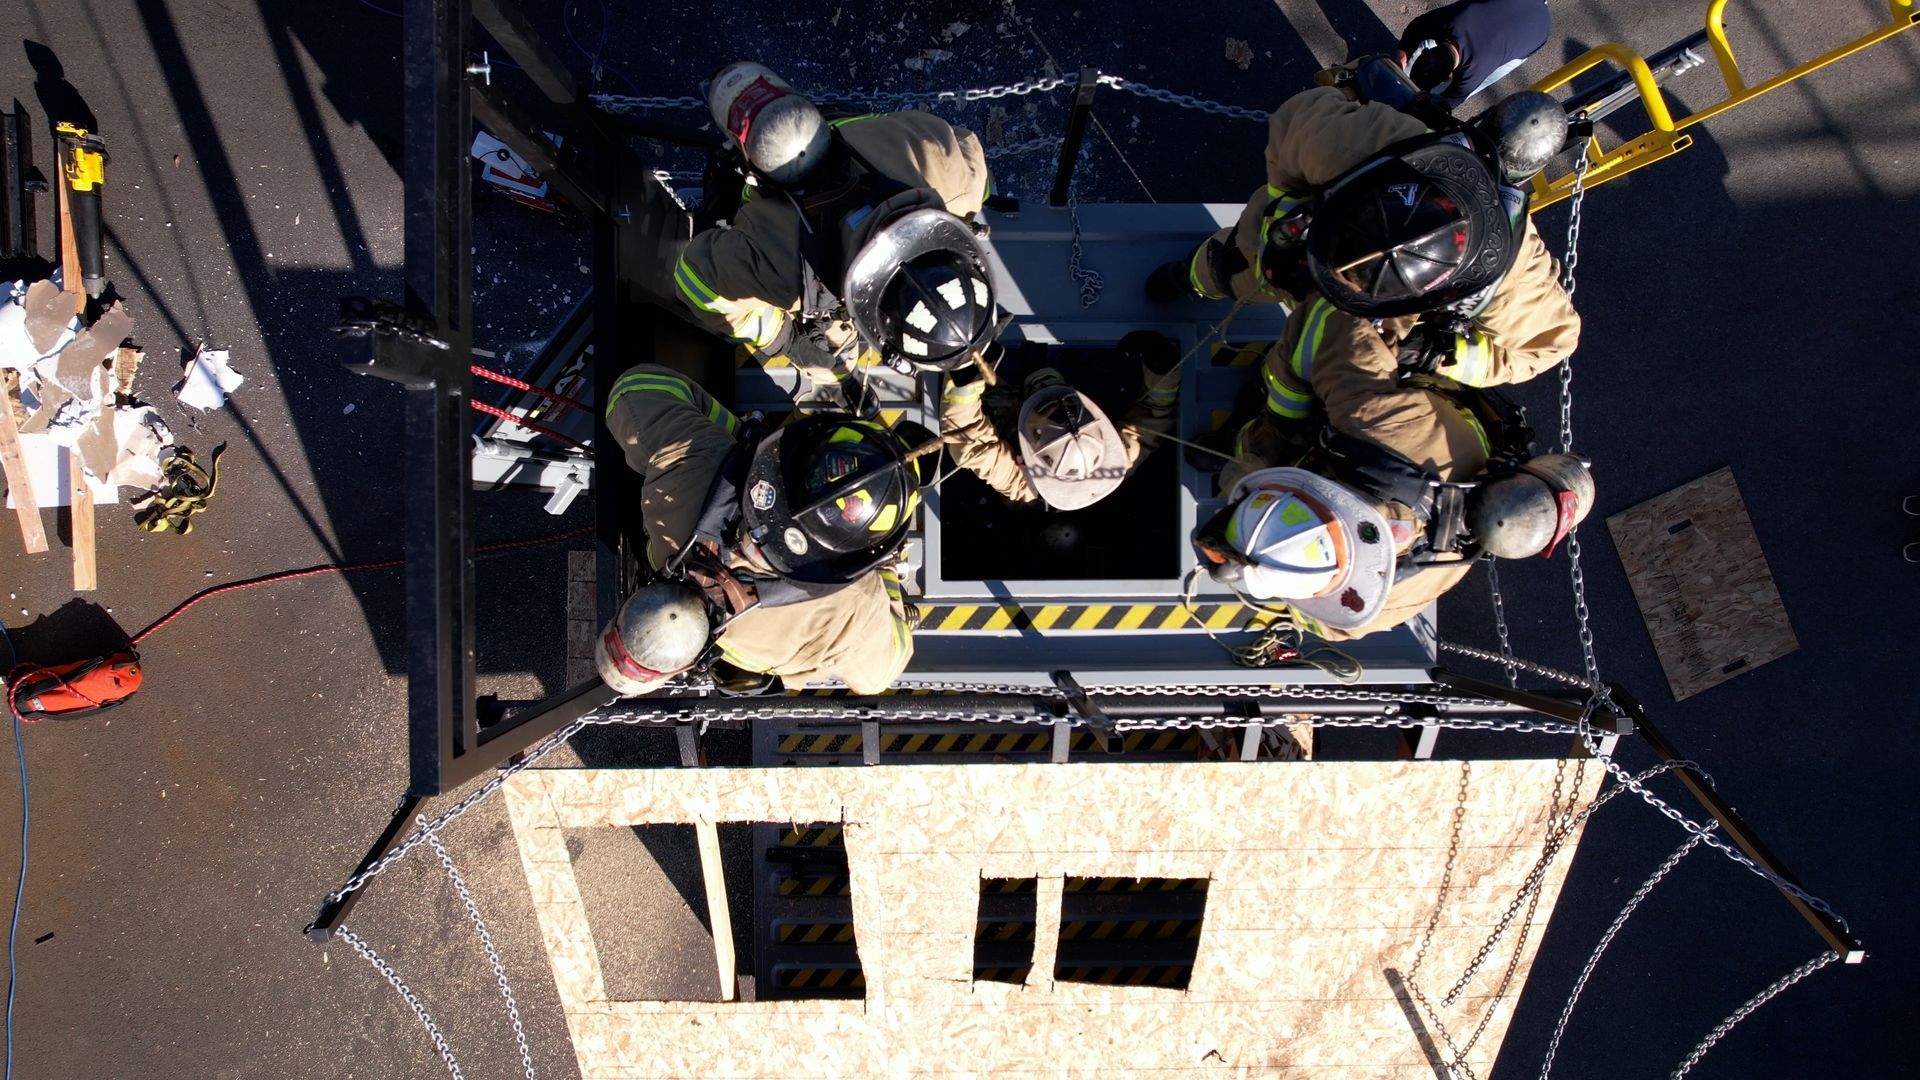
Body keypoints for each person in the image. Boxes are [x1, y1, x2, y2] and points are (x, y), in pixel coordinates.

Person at [1194, 302, 1594, 641]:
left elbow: (1333, 624)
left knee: (1241, 470)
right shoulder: (1380, 425)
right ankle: (1272, 422)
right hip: (1410, 418)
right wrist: (1282, 420)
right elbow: (1339, 315)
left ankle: (1261, 434)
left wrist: (1272, 577)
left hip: (1406, 447)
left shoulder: (1394, 590)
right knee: (1309, 351)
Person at [673, 62, 995, 413]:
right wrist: (784, 340)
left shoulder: (955, 176)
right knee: (826, 353)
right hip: (775, 189)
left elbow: (970, 154)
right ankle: (839, 377)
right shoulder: (786, 276)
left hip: (838, 127)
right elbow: (694, 280)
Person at [596, 363, 920, 695]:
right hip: (803, 452)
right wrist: (734, 443)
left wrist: (887, 574)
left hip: (870, 549)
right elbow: (633, 388)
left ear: (684, 666)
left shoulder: (841, 616)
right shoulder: (685, 485)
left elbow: (882, 672)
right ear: (633, 602)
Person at [939, 332, 1181, 509]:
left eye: (1046, 407)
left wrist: (967, 378)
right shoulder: (1114, 461)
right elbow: (1153, 412)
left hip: (1006, 412)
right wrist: (1161, 367)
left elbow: (970, 439)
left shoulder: (1020, 482)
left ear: (1025, 457)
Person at [1399, 0, 1553, 113]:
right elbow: (1417, 26)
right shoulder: (1452, 20)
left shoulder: (1474, 73)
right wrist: (1402, 54)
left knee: (1485, 78)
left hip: (1536, 32)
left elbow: (1448, 102)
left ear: (1448, 77)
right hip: (1517, 12)